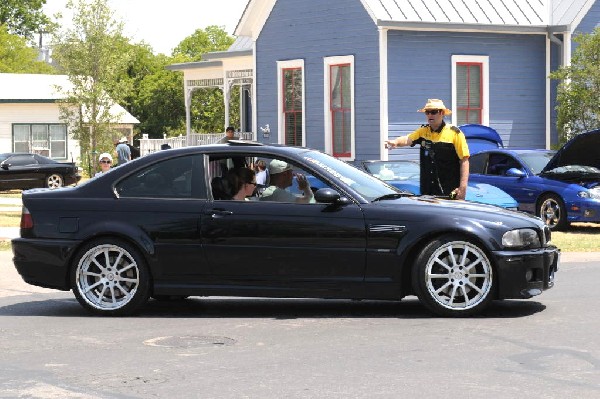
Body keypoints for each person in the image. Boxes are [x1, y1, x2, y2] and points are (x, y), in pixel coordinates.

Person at [384, 99, 470, 200]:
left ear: (442, 113)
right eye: (427, 112)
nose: (430, 115)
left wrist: (462, 187)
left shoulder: (455, 133)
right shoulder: (423, 131)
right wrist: (396, 142)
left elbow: (464, 160)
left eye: (433, 112)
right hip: (427, 193)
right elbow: (408, 139)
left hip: (449, 192)